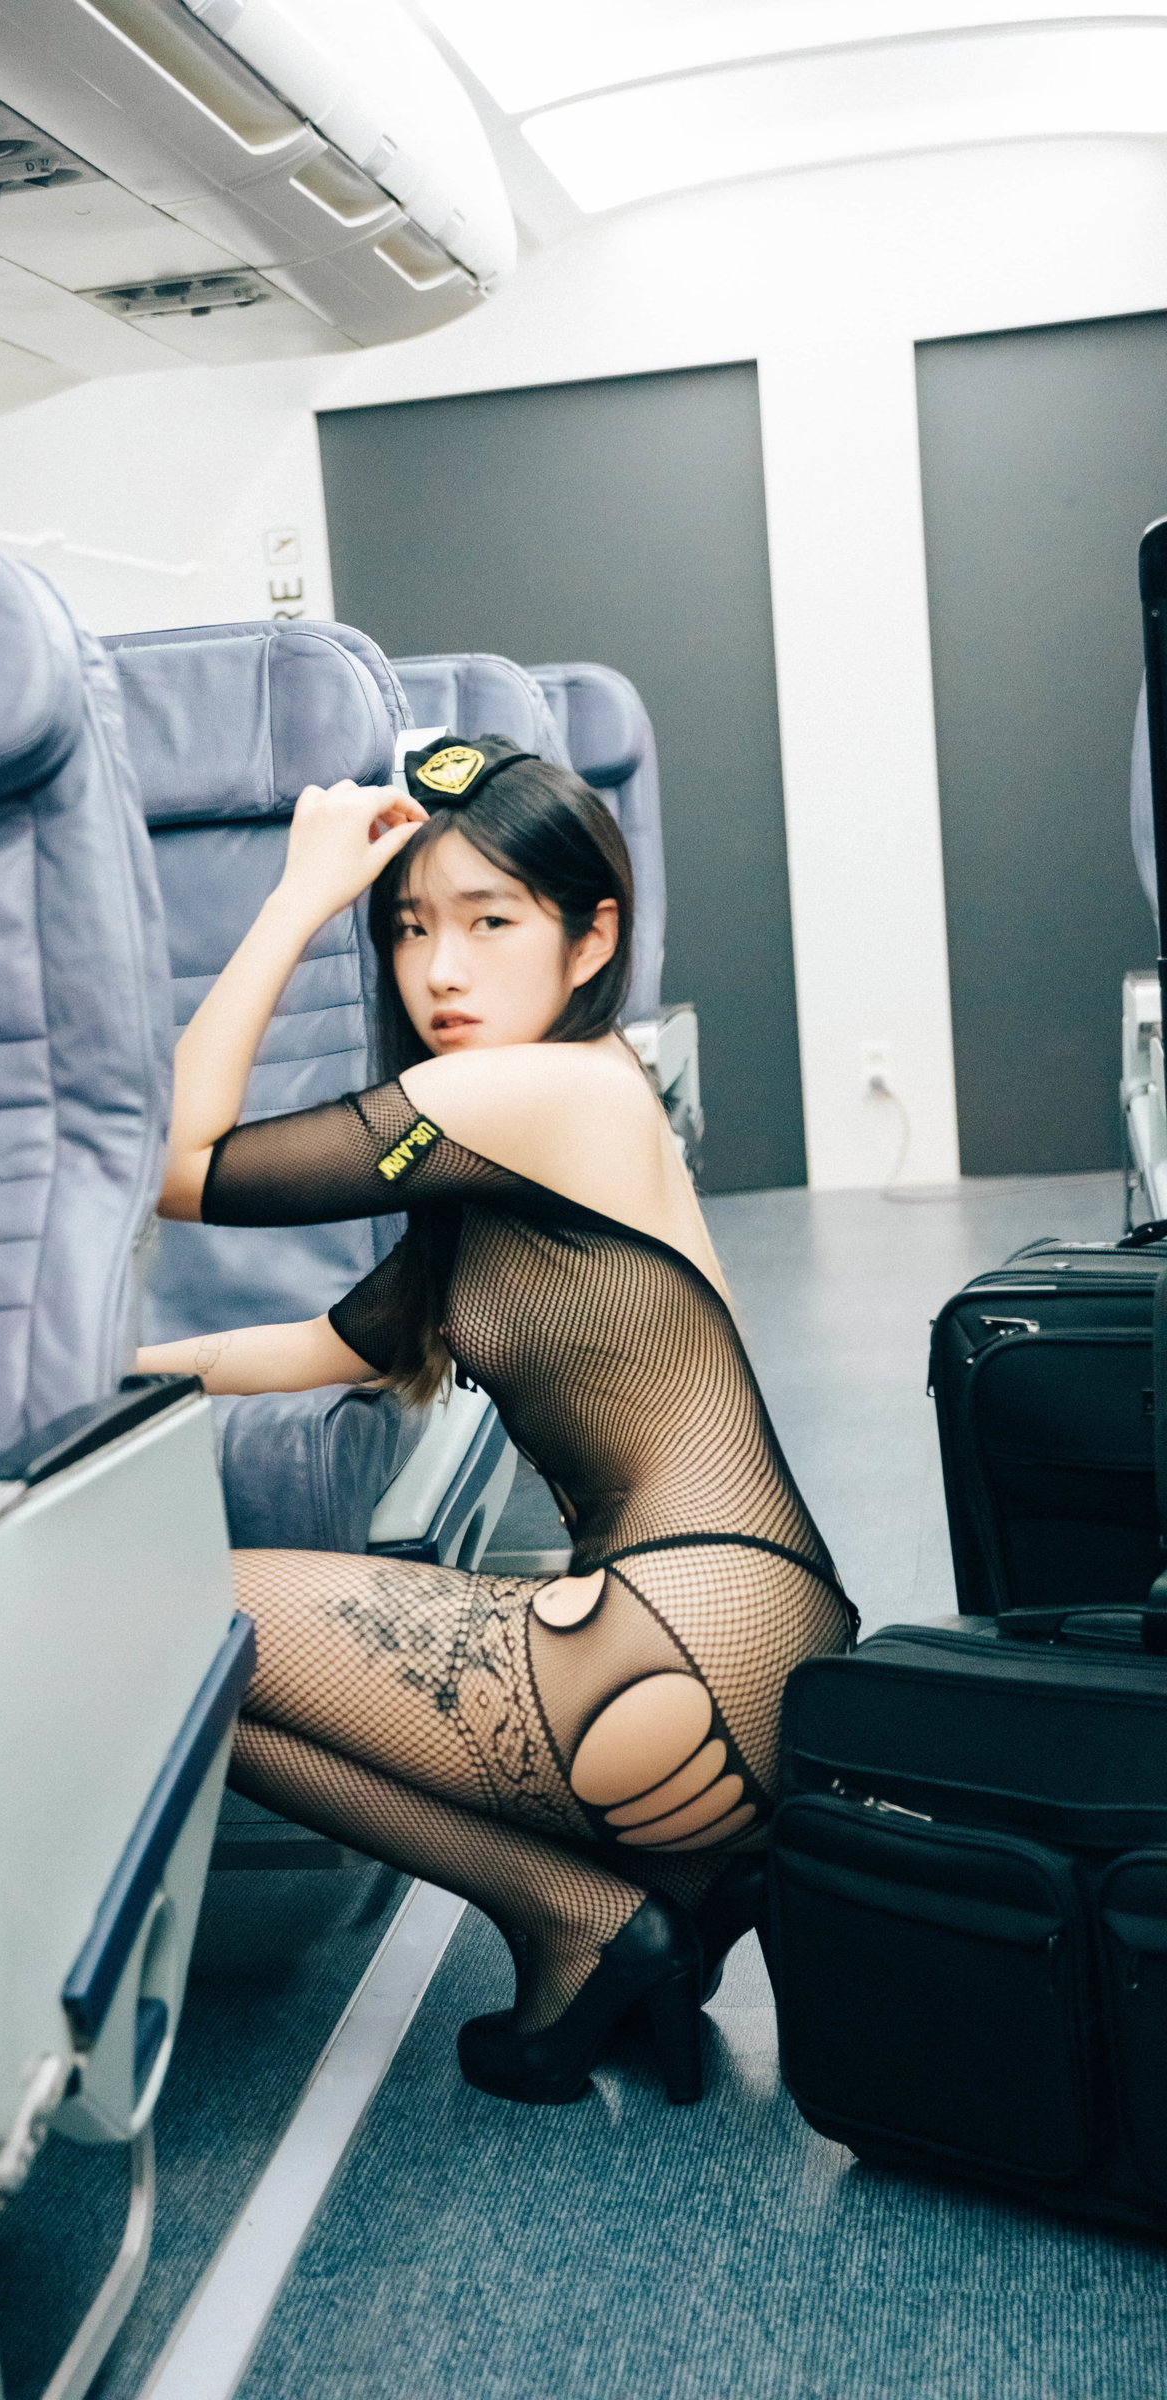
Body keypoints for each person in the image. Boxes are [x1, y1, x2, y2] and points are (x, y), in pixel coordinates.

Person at [136, 734, 853, 2105]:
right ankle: (628, 1915)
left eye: (489, 921)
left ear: (593, 941)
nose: (440, 970)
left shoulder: (540, 1089)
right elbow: (321, 1348)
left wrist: (298, 898)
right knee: (205, 1685)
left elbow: (176, 1161)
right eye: (407, 929)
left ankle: (581, 1921)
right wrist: (94, 1378)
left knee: (169, 1619)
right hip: (738, 1642)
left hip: (671, 1645)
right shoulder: (518, 1135)